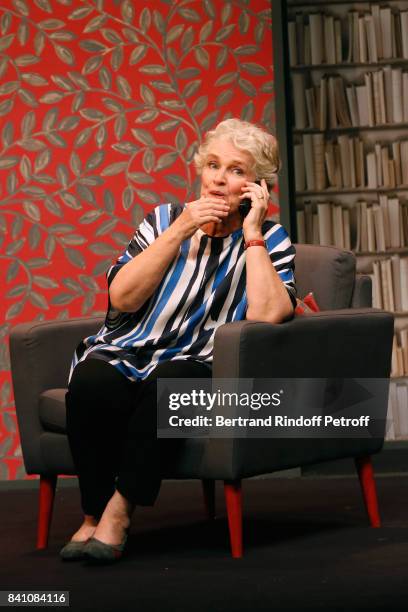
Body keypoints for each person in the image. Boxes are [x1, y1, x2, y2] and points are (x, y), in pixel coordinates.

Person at [61, 118, 296, 563]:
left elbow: (268, 314)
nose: (220, 179)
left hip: (204, 360)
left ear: (257, 185)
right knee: (92, 380)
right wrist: (181, 229)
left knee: (173, 381)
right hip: (132, 346)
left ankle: (118, 512)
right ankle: (91, 513)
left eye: (236, 170)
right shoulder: (164, 220)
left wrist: (252, 234)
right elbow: (122, 297)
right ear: (199, 169)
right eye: (212, 165)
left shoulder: (270, 240)